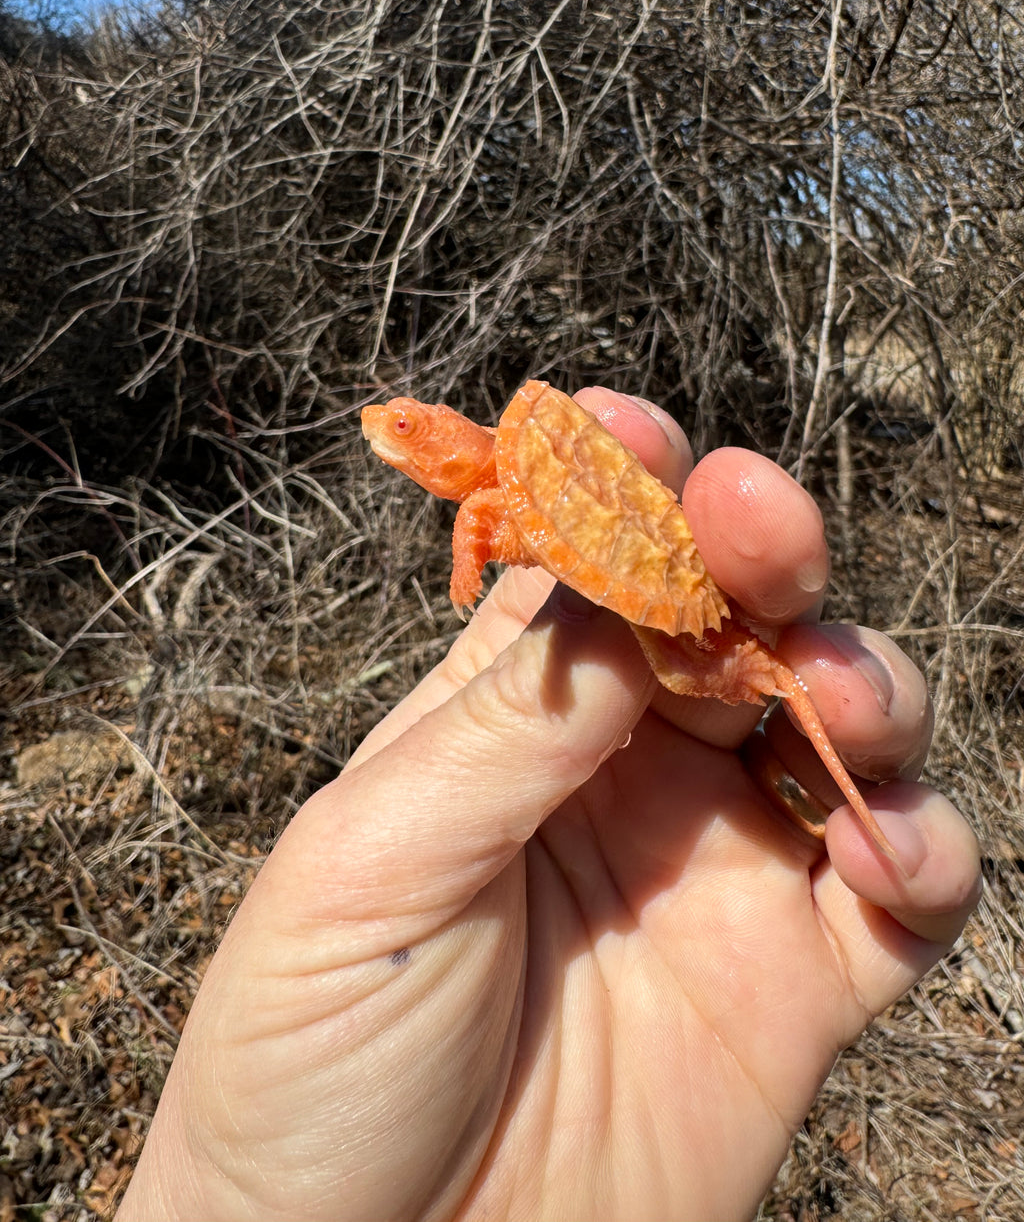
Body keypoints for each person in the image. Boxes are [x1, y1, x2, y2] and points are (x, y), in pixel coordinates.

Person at [116, 386, 981, 1222]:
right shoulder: (495, 491)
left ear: (452, 432)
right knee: (700, 662)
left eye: (415, 427)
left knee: (703, 662)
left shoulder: (502, 484)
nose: (396, 434)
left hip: (635, 577)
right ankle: (769, 675)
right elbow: (481, 520)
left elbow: (485, 522)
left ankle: (768, 674)